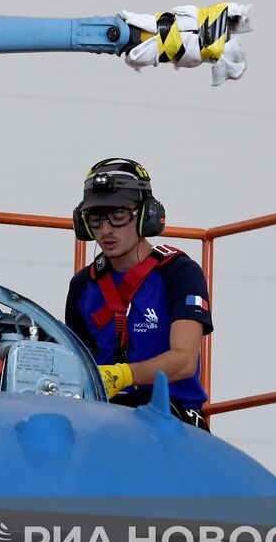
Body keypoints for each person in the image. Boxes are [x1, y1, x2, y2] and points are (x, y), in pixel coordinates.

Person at [65, 158, 213, 430]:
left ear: (146, 215)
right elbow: (75, 365)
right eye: (95, 219)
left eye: (118, 216)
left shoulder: (179, 273)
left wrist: (123, 375)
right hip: (104, 424)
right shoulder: (83, 286)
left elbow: (184, 361)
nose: (106, 229)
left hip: (172, 422)